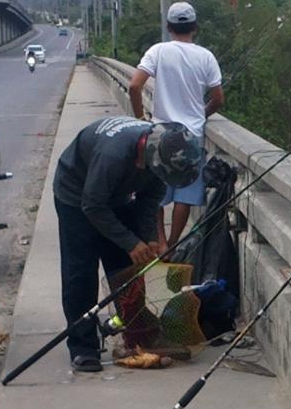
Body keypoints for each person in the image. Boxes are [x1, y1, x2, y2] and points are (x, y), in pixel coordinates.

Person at [53, 117, 202, 372]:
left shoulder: (159, 163)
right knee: (81, 271)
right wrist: (131, 242)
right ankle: (83, 347)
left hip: (118, 195)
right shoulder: (112, 155)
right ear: (150, 155)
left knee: (126, 269)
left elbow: (148, 202)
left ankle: (139, 337)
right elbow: (93, 205)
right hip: (77, 197)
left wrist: (149, 240)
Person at [128, 1, 224, 253]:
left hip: (160, 134)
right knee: (185, 194)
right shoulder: (206, 57)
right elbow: (218, 99)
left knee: (155, 193)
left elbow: (135, 86)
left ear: (169, 27)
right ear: (195, 27)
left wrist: (140, 118)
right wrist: (201, 114)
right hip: (191, 134)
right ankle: (172, 244)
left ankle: (158, 242)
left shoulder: (158, 51)